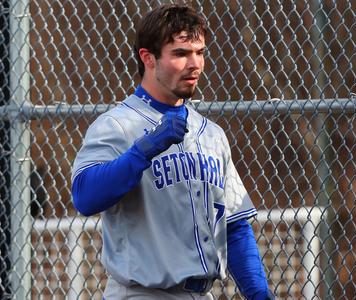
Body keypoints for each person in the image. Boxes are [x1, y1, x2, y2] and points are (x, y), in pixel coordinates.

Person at [71, 4, 273, 300]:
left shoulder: (211, 134)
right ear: (148, 58)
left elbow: (234, 225)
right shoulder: (118, 126)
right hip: (141, 293)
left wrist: (258, 293)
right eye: (181, 53)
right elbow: (85, 197)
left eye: (200, 52)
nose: (195, 64)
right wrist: (141, 152)